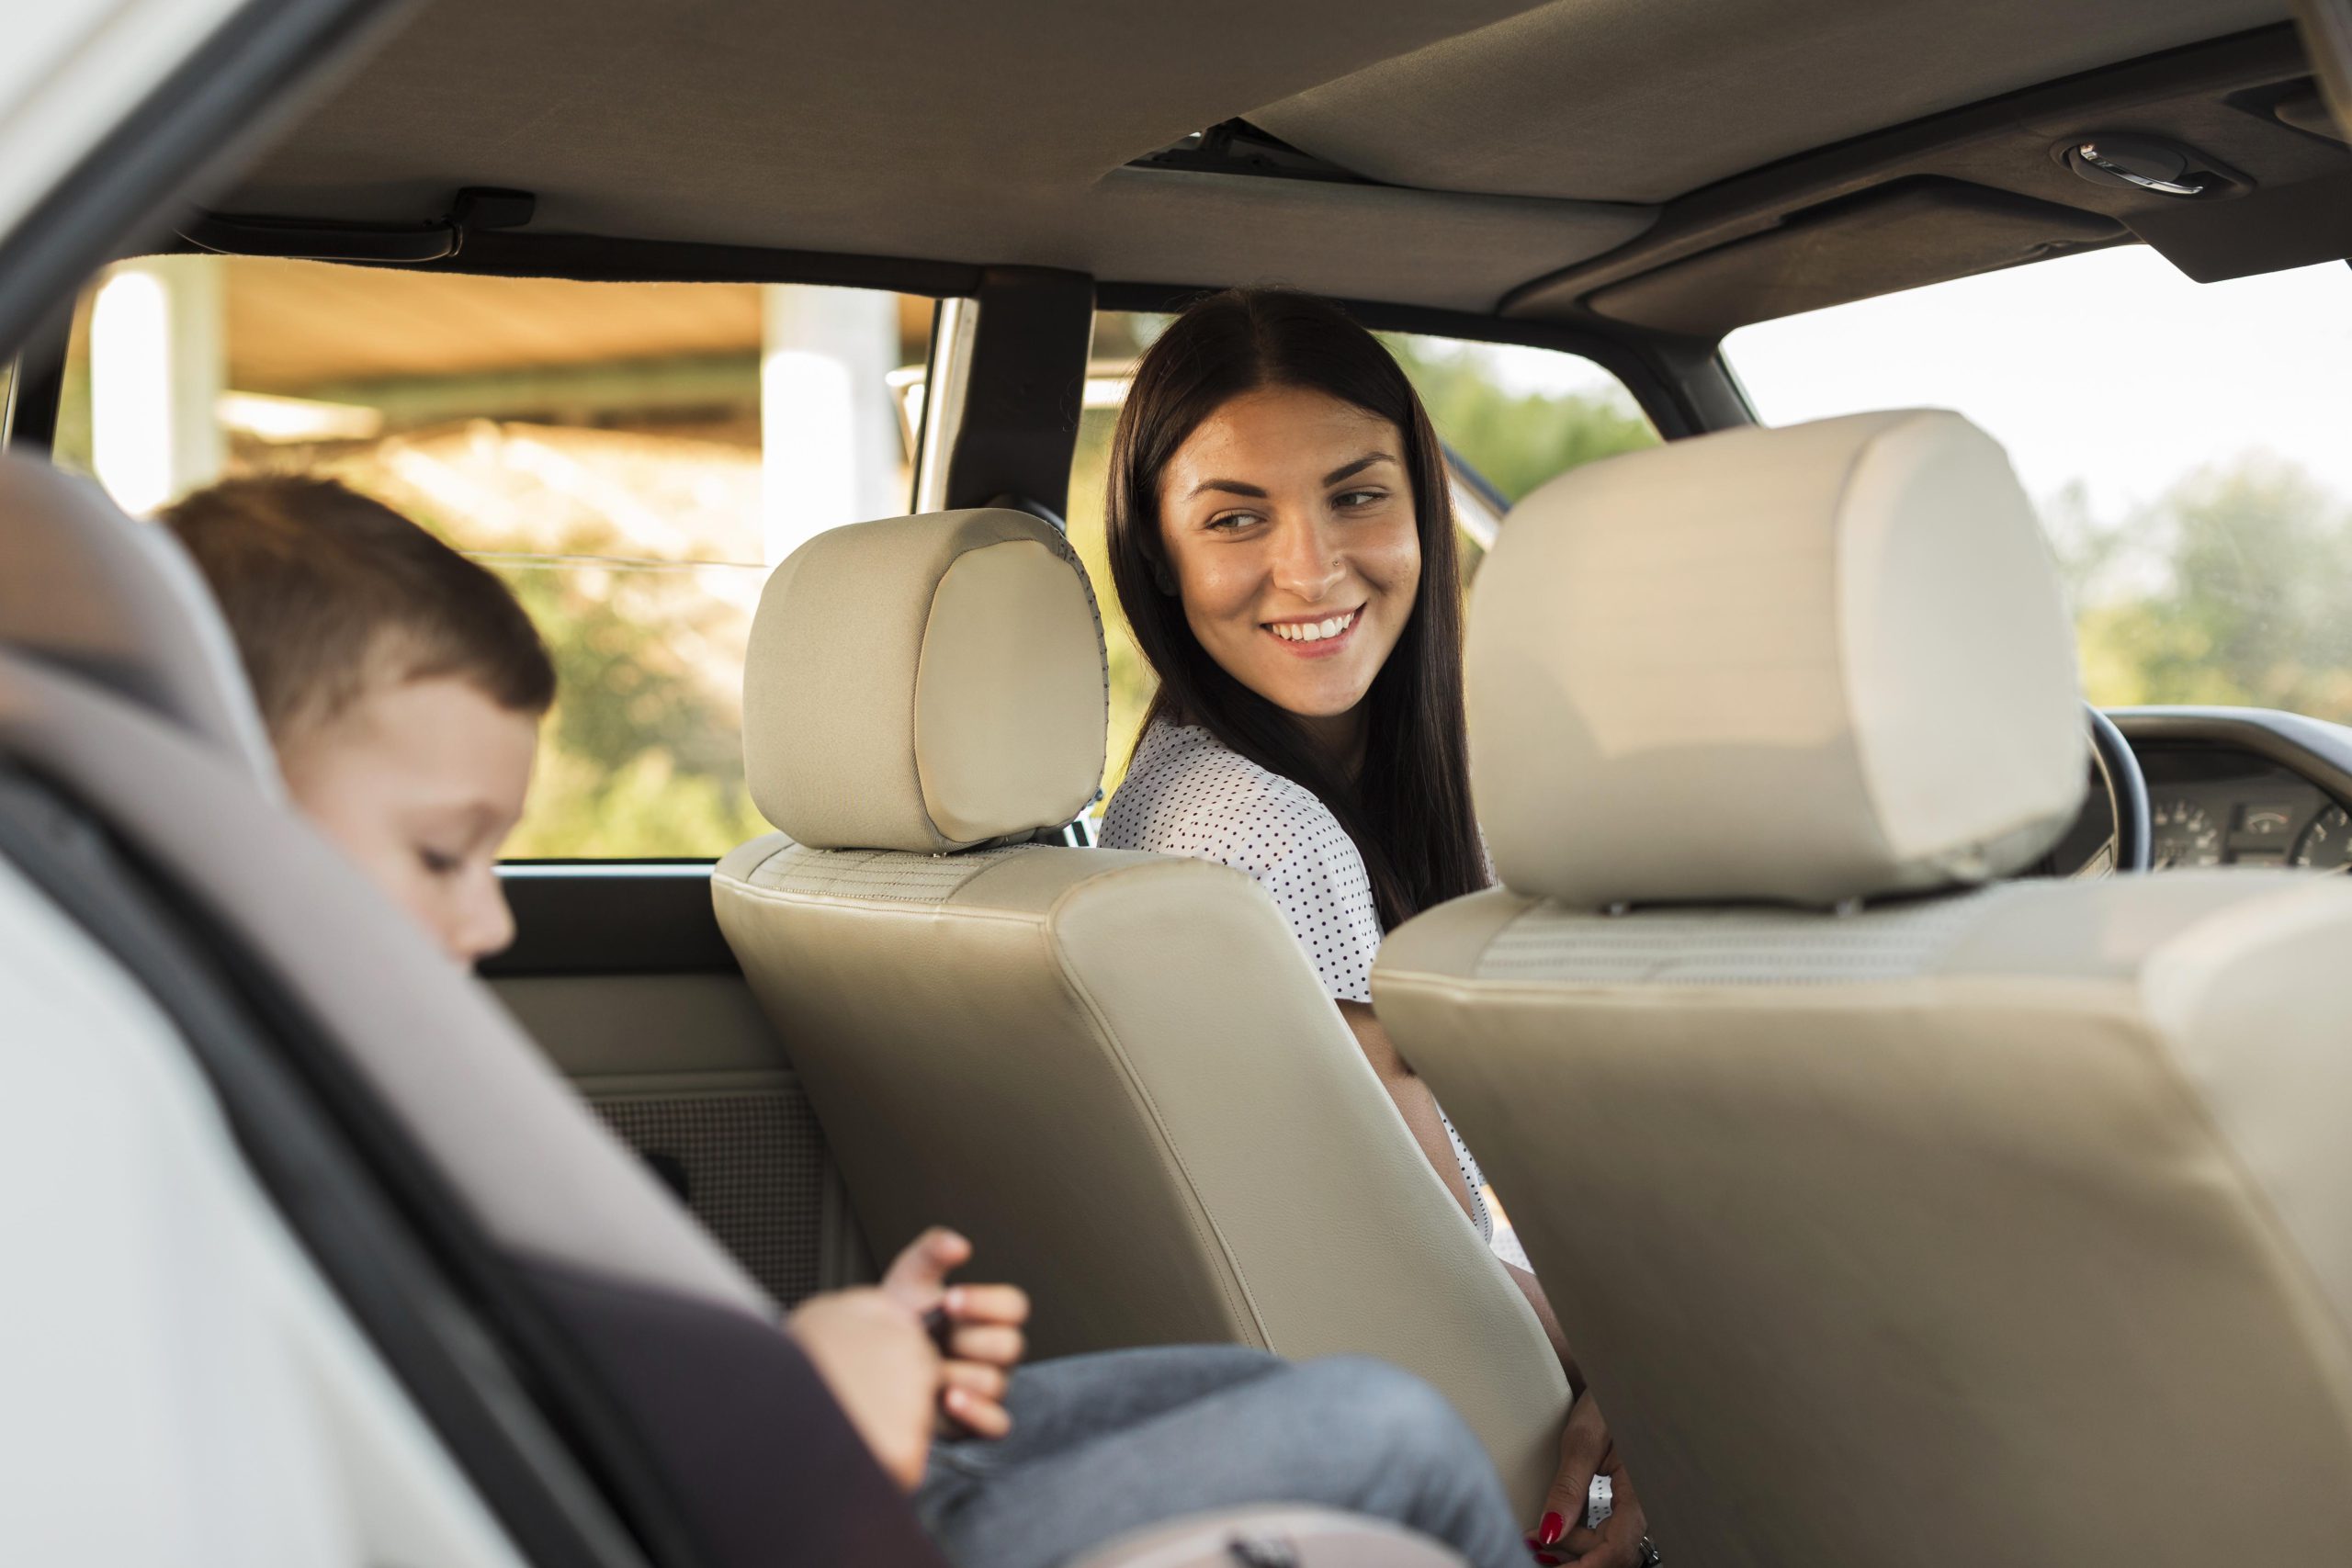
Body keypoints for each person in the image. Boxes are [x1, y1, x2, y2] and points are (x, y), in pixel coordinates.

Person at [158, 475, 1534, 1568]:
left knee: (1235, 1396)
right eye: (446, 854)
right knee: (1385, 1427)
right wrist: (818, 1429)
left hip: (742, 1462)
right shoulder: (163, 1121)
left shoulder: (304, 1077)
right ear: (217, 800)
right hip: (750, 1516)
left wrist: (824, 1366)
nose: (495, 919)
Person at [1097, 289, 1650, 1567]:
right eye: (1237, 518)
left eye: (1357, 496)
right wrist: (1670, 1381)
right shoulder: (1263, 837)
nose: (1312, 568)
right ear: (1156, 553)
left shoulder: (1171, 786)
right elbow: (1435, 1268)